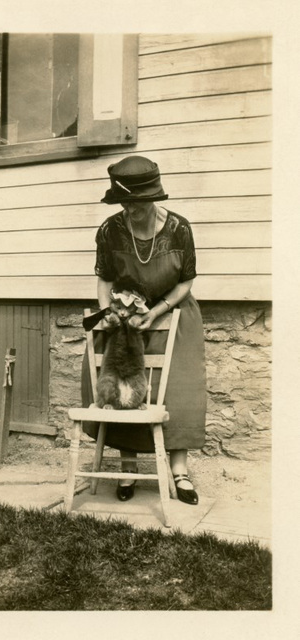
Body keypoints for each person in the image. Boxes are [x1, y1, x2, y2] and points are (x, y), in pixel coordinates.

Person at [81, 155, 207, 505]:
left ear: (153, 199)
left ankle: (179, 472)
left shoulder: (179, 229)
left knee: (179, 388)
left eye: (136, 204)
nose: (129, 210)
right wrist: (108, 312)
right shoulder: (109, 230)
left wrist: (156, 312)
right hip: (125, 320)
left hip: (172, 312)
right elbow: (105, 278)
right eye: (124, 203)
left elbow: (187, 282)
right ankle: (128, 467)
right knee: (118, 384)